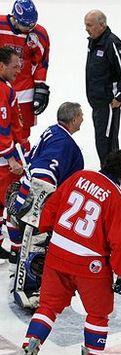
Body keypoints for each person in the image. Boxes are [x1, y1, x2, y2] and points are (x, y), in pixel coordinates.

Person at [16, 150, 121, 355]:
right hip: (89, 265)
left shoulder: (78, 177)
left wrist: (44, 226)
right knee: (98, 313)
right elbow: (119, 242)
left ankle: (31, 345)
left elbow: (50, 208)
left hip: (58, 254)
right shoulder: (117, 198)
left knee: (48, 306)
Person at [8, 102, 85, 309]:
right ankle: (30, 290)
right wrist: (37, 205)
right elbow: (44, 172)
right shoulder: (64, 143)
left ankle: (20, 272)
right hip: (37, 198)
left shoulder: (52, 131)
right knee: (37, 241)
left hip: (25, 191)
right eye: (81, 115)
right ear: (75, 118)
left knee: (24, 237)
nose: (83, 119)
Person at [84, 10, 121, 165]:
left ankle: (110, 175)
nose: (86, 28)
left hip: (108, 103)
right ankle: (109, 173)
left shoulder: (112, 43)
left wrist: (119, 96)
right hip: (97, 102)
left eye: (89, 25)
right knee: (102, 140)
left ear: (102, 25)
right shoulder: (94, 41)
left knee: (107, 142)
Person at [0, 0, 50, 147]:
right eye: (26, 25)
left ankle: (22, 162)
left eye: (32, 25)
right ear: (14, 18)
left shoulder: (39, 34)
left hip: (25, 91)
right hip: (2, 87)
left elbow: (41, 62)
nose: (29, 28)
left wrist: (40, 86)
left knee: (22, 133)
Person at [0, 46, 25, 261]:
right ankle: (18, 249)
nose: (19, 70)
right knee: (15, 203)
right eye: (15, 66)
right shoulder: (3, 90)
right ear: (2, 66)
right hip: (4, 164)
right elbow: (2, 128)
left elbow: (14, 126)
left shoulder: (7, 87)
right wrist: (11, 158)